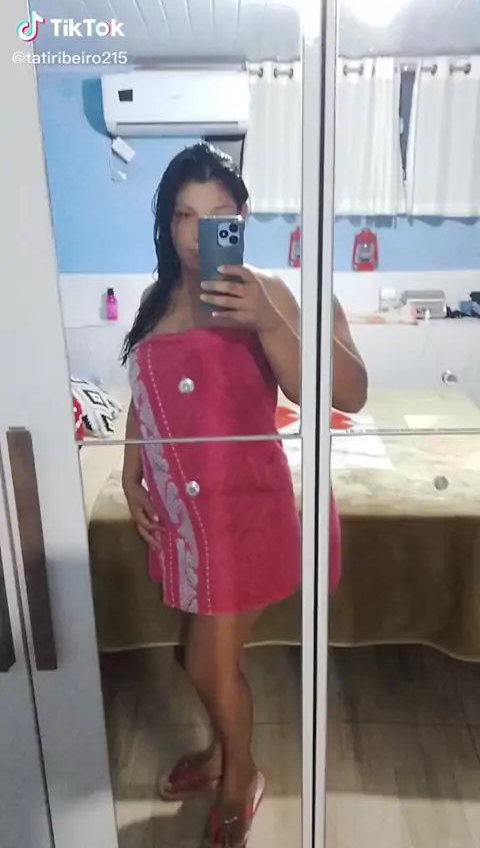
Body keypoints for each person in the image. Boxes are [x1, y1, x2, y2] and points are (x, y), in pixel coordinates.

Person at [121, 142, 367, 848]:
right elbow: (145, 395)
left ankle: (241, 777)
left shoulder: (266, 293)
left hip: (245, 514)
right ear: (167, 223)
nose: (198, 233)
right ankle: (218, 750)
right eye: (184, 215)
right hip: (185, 518)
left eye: (218, 215)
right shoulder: (156, 301)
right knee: (199, 656)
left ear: (243, 217)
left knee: (207, 661)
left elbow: (348, 393)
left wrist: (266, 318)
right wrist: (133, 472)